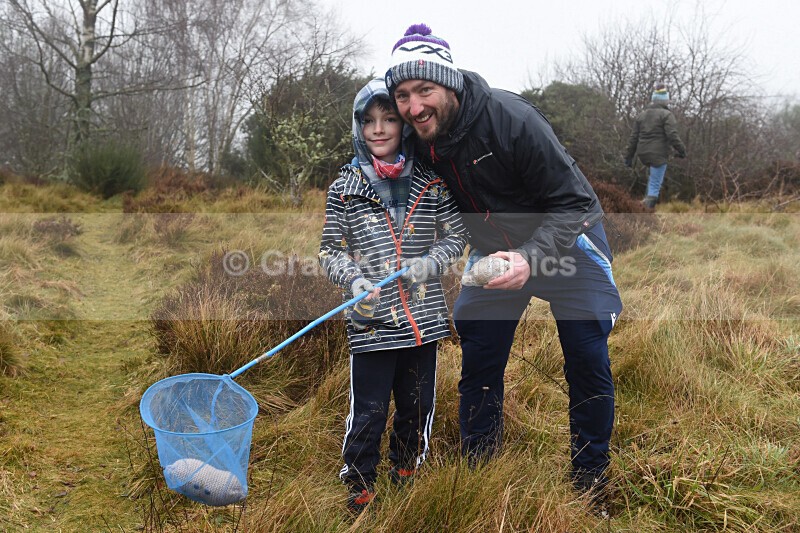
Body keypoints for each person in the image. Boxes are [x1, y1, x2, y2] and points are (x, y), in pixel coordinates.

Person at [384, 24, 623, 513]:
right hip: (493, 251)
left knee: (586, 357)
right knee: (478, 344)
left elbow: (575, 202)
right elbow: (377, 151)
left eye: (424, 90)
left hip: (568, 244)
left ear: (448, 84)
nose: (413, 107)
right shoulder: (416, 135)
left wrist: (530, 258)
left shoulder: (512, 119)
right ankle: (480, 470)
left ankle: (591, 481)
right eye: (403, 95)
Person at [318, 78, 467, 515]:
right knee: (368, 410)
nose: (379, 129)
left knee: (417, 405)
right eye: (369, 121)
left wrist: (430, 262)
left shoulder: (430, 181)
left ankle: (406, 471)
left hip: (424, 321)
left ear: (403, 125)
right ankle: (360, 485)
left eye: (388, 119)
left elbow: (455, 235)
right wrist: (353, 280)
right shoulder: (344, 186)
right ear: (358, 127)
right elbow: (329, 250)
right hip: (372, 322)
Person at [624, 82, 687, 208]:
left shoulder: (642, 115)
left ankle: (642, 205)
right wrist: (682, 151)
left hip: (643, 154)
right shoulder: (667, 115)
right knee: (655, 184)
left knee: (652, 179)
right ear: (665, 100)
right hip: (658, 155)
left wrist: (628, 157)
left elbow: (633, 138)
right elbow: (672, 135)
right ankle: (646, 212)